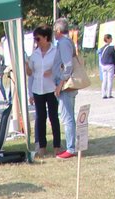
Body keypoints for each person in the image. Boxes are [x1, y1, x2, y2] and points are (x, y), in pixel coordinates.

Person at [26, 26, 62, 156]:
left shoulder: (55, 51)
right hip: (38, 89)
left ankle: (57, 145)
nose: (36, 41)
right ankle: (42, 145)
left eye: (38, 38)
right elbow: (30, 74)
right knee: (40, 118)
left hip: (52, 89)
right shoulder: (34, 54)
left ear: (46, 38)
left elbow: (62, 67)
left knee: (53, 117)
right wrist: (26, 65)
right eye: (35, 39)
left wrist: (52, 71)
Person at [53, 19, 78, 159]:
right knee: (68, 116)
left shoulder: (63, 43)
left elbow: (67, 65)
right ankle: (71, 146)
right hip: (66, 85)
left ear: (58, 31)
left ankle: (70, 147)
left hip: (66, 86)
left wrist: (60, 84)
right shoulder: (67, 42)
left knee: (67, 117)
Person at [98, 33, 115, 99]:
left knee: (104, 80)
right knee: (110, 80)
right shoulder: (111, 48)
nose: (112, 39)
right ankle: (109, 94)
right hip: (110, 65)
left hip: (103, 65)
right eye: (111, 38)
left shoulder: (102, 48)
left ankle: (103, 94)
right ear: (108, 39)